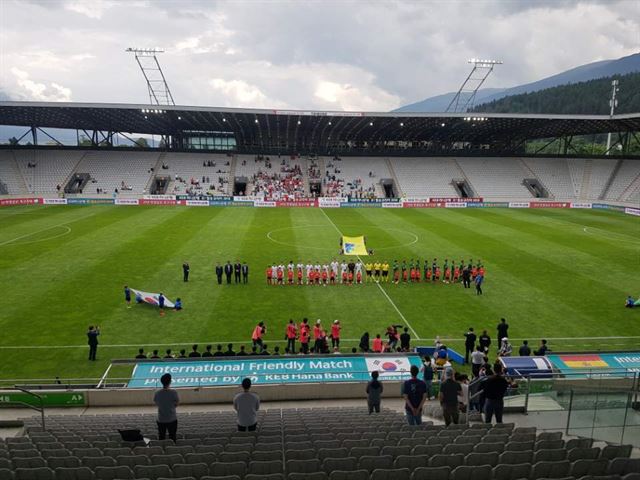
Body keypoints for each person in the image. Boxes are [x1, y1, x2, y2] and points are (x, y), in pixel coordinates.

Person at [153, 373, 179, 441]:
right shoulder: (174, 392)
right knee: (172, 437)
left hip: (161, 419)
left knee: (161, 437)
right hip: (172, 419)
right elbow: (176, 404)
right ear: (170, 382)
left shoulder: (157, 392)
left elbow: (156, 402)